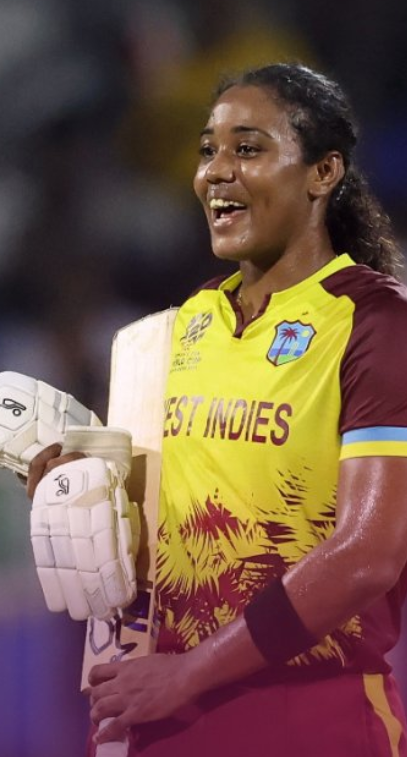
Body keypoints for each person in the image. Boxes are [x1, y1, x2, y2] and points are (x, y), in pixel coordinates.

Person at [28, 62, 407, 755]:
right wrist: (76, 485)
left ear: (323, 173)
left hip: (313, 723)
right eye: (209, 150)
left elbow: (368, 555)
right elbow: (149, 529)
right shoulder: (182, 326)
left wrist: (191, 674)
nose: (216, 172)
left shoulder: (373, 323)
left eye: (249, 148)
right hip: (163, 721)